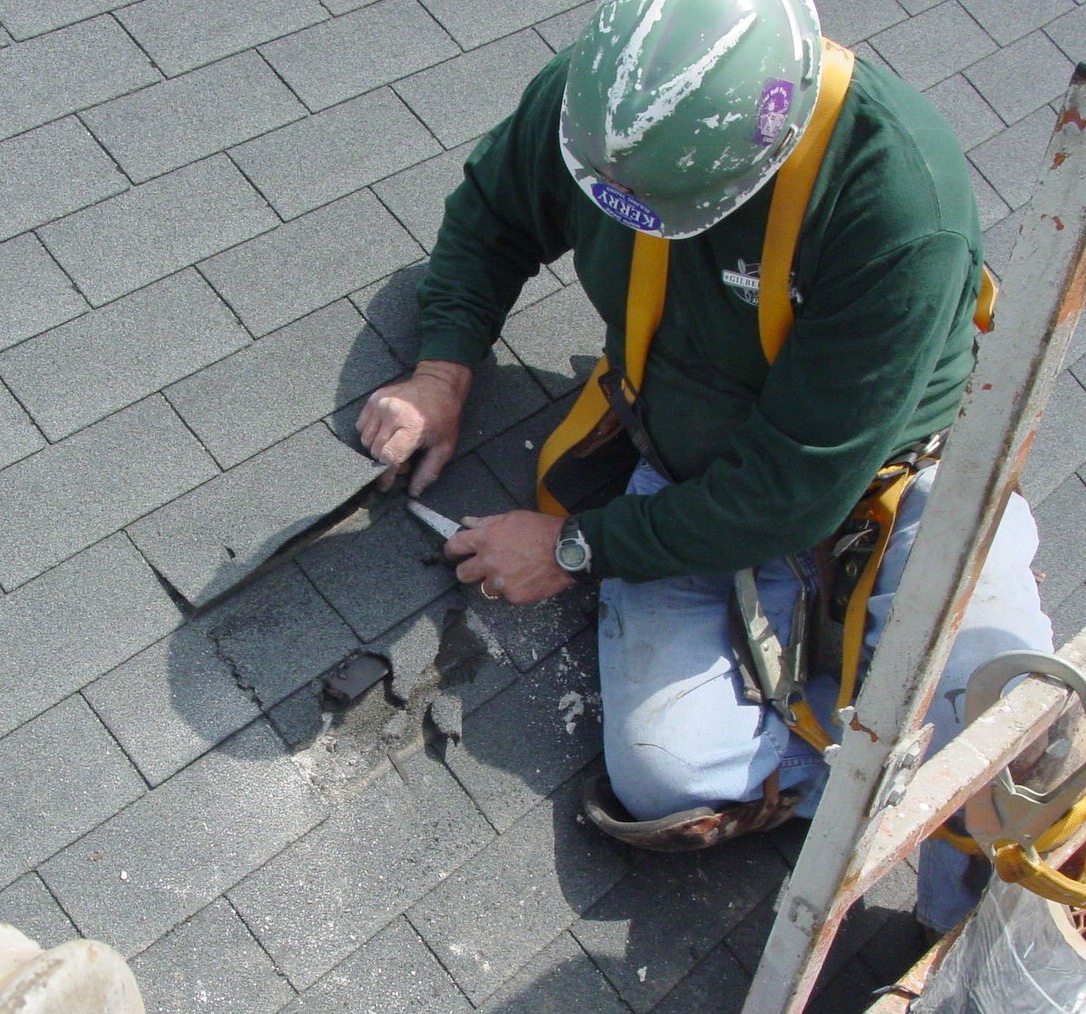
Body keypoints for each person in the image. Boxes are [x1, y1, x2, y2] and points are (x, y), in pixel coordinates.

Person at [355, 0, 1053, 935]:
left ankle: (963, 940)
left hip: (885, 481)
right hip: (691, 476)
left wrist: (570, 548)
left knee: (1003, 738)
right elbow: (493, 216)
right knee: (665, 778)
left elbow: (792, 491)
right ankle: (856, 768)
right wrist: (441, 371)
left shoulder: (892, 204)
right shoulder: (610, 107)